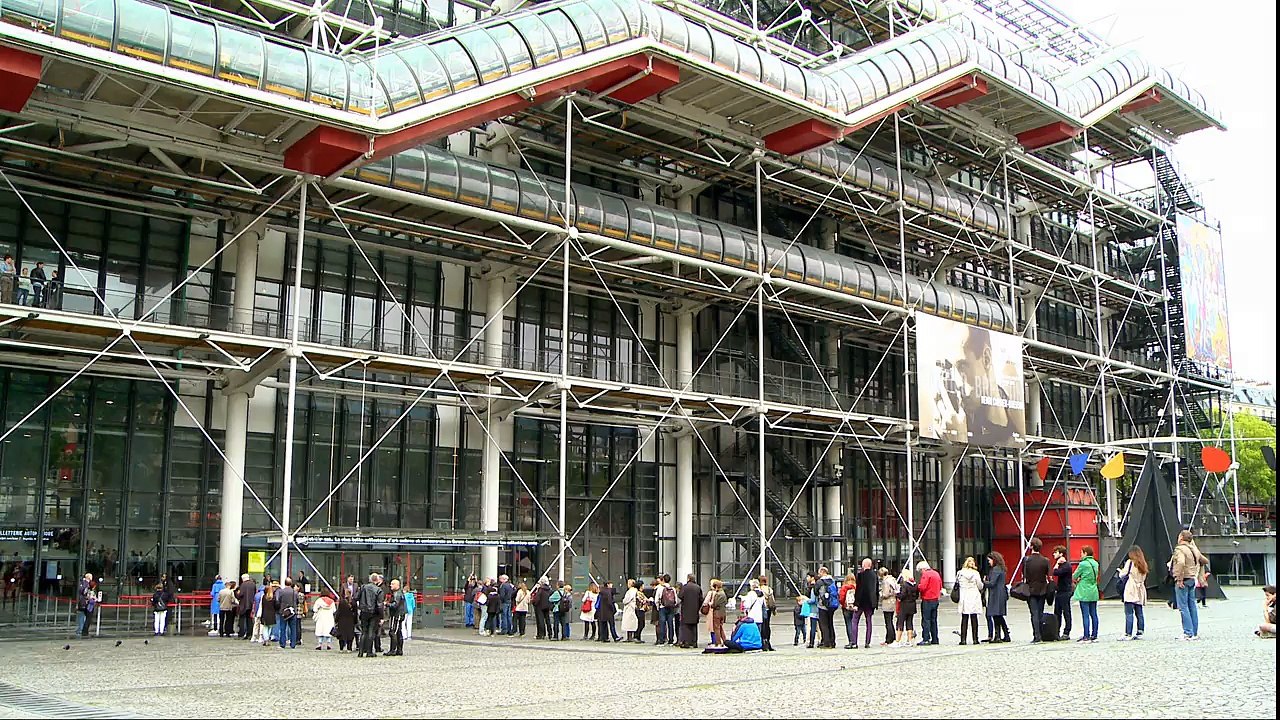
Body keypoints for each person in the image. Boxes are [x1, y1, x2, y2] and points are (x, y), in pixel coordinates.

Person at [1169, 529, 1209, 640]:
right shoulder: (1194, 549)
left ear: (1181, 538)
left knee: (1183, 607)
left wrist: (1179, 579)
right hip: (1192, 579)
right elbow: (1204, 560)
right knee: (1192, 606)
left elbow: (1181, 563)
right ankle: (1194, 632)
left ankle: (1188, 632)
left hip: (1184, 579)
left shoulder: (1180, 550)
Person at [1023, 537, 1051, 643]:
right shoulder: (1045, 560)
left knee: (1034, 613)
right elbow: (1048, 575)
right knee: (1040, 612)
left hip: (1031, 590)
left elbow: (1024, 575)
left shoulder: (1027, 560)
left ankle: (1036, 636)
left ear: (1031, 547)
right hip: (1042, 589)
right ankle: (1041, 634)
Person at [1118, 546, 1148, 641]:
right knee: (1139, 612)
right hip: (1140, 589)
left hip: (1131, 589)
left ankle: (1128, 633)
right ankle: (1140, 631)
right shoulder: (1143, 564)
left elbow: (1123, 574)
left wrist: (1120, 571)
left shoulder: (1130, 563)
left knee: (1129, 612)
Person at [1072, 545, 1100, 643]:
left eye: (1081, 553)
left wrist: (1079, 578)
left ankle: (1086, 636)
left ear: (1085, 553)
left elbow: (1075, 576)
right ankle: (1094, 634)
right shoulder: (1096, 563)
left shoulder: (1083, 564)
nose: (1081, 555)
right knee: (1094, 614)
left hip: (1084, 591)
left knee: (1085, 615)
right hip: (1093, 591)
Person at [354, 573, 384, 658]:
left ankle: (360, 651)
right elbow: (380, 605)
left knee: (364, 631)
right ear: (377, 580)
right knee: (371, 632)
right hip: (374, 613)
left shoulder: (363, 587)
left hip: (364, 611)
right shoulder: (378, 590)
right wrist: (381, 616)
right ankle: (369, 651)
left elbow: (355, 598)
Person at [956, 556, 984, 645]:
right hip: (974, 596)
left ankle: (963, 639)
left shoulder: (959, 573)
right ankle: (975, 639)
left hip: (964, 596)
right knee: (974, 618)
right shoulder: (976, 573)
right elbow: (980, 586)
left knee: (964, 618)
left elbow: (957, 584)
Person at [851, 559, 877, 649]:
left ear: (864, 565)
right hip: (870, 602)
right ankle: (867, 642)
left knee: (855, 620)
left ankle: (854, 642)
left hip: (861, 602)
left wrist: (856, 603)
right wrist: (875, 603)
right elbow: (876, 590)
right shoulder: (874, 575)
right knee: (869, 621)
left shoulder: (861, 575)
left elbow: (859, 590)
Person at [984, 551, 1010, 643]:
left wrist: (983, 582)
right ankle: (1006, 634)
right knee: (999, 616)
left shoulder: (995, 569)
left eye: (989, 560)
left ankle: (997, 636)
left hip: (996, 595)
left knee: (996, 615)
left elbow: (992, 583)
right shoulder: (1001, 568)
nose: (989, 562)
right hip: (1001, 594)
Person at [916, 561, 942, 646]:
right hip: (935, 599)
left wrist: (917, 586)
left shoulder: (926, 575)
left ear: (923, 569)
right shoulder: (936, 573)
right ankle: (935, 638)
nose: (920, 573)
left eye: (920, 571)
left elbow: (923, 587)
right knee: (933, 620)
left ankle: (926, 638)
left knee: (926, 620)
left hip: (927, 599)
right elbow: (940, 586)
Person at [1051, 545, 1073, 640]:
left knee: (1066, 612)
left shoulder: (1066, 565)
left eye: (1056, 552)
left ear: (1061, 554)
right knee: (1057, 612)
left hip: (1065, 591)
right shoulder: (1063, 565)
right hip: (1060, 591)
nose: (1053, 554)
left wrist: (1056, 564)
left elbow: (1055, 572)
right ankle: (1056, 631)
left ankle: (1066, 632)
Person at [676, 574, 703, 648]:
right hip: (695, 610)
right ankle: (694, 642)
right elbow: (701, 599)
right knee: (694, 627)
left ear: (688, 579)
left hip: (686, 609)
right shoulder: (698, 587)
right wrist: (698, 607)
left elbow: (680, 596)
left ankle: (686, 642)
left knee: (686, 627)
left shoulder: (685, 587)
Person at [815, 566, 839, 648]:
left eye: (819, 573)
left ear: (822, 572)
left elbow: (815, 592)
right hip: (832, 606)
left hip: (823, 605)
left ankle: (826, 642)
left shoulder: (819, 582)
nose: (818, 575)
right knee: (830, 623)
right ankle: (833, 641)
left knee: (824, 624)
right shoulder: (833, 580)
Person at [895, 568, 919, 647]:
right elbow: (917, 596)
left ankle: (898, 641)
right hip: (912, 605)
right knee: (909, 623)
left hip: (904, 605)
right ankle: (909, 641)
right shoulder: (915, 584)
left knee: (900, 622)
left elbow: (902, 595)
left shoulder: (904, 585)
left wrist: (897, 594)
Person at [274, 577, 300, 649]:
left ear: (285, 583)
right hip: (292, 612)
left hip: (283, 612)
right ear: (291, 583)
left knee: (282, 628)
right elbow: (297, 601)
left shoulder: (281, 592)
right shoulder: (294, 592)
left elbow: (278, 601)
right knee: (293, 629)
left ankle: (282, 643)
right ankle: (293, 644)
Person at [385, 579, 406, 656]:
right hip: (399, 614)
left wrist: (387, 604)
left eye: (392, 584)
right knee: (398, 632)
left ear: (397, 585)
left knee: (393, 632)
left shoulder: (397, 594)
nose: (391, 585)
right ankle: (399, 650)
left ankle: (393, 650)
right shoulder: (398, 593)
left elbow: (395, 605)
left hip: (396, 615)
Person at [878, 567, 898, 646]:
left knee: (888, 622)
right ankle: (892, 637)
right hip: (893, 601)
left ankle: (889, 639)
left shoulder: (886, 581)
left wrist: (880, 594)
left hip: (887, 603)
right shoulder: (892, 579)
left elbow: (886, 594)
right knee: (891, 621)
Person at [704, 578, 727, 647]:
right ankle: (725, 640)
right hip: (723, 613)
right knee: (721, 628)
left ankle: (718, 642)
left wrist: (711, 604)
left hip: (717, 613)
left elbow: (714, 604)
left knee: (716, 629)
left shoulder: (718, 594)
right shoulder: (723, 593)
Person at [655, 575, 677, 645]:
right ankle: (671, 639)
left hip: (662, 607)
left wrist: (658, 607)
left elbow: (656, 599)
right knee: (670, 623)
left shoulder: (660, 588)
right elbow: (675, 599)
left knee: (662, 624)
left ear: (663, 579)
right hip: (671, 608)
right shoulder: (672, 588)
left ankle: (661, 640)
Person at [334, 588, 357, 652]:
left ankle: (341, 648)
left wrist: (336, 620)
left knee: (341, 635)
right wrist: (355, 621)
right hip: (350, 621)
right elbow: (355, 613)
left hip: (342, 621)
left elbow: (339, 612)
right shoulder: (353, 602)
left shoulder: (342, 602)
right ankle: (349, 648)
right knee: (350, 635)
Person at [758, 574, 776, 651]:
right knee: (767, 626)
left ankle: (762, 642)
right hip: (768, 609)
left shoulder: (758, 589)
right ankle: (768, 642)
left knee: (761, 626)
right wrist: (773, 609)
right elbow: (772, 601)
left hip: (759, 610)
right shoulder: (769, 589)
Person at [236, 573, 256, 640]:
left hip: (243, 604)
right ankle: (249, 634)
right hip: (250, 604)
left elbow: (240, 594)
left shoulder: (243, 585)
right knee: (249, 620)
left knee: (242, 619)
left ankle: (241, 633)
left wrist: (237, 594)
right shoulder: (253, 584)